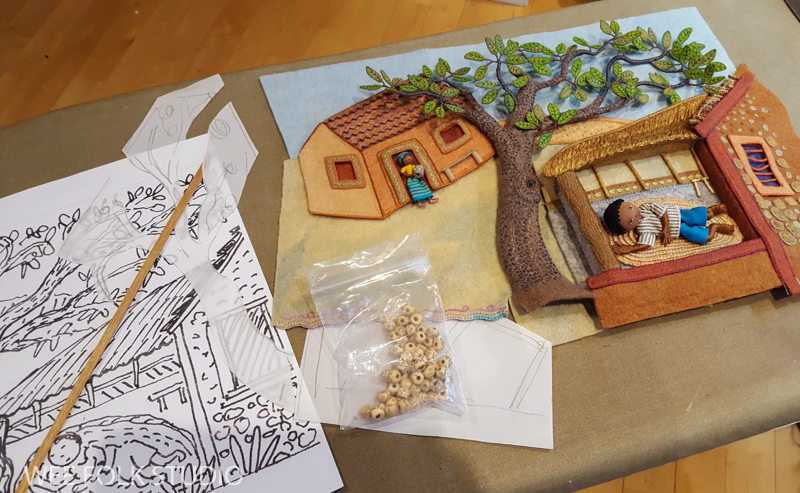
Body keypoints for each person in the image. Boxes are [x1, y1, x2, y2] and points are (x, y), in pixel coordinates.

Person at [603, 199, 734, 255]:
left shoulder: (645, 207)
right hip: (680, 230)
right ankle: (716, 227)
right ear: (627, 229)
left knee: (705, 214)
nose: (634, 213)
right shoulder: (642, 230)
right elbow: (646, 244)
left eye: (630, 207)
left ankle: (713, 211)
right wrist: (629, 248)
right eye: (630, 220)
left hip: (679, 214)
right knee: (707, 237)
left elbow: (662, 211)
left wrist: (666, 229)